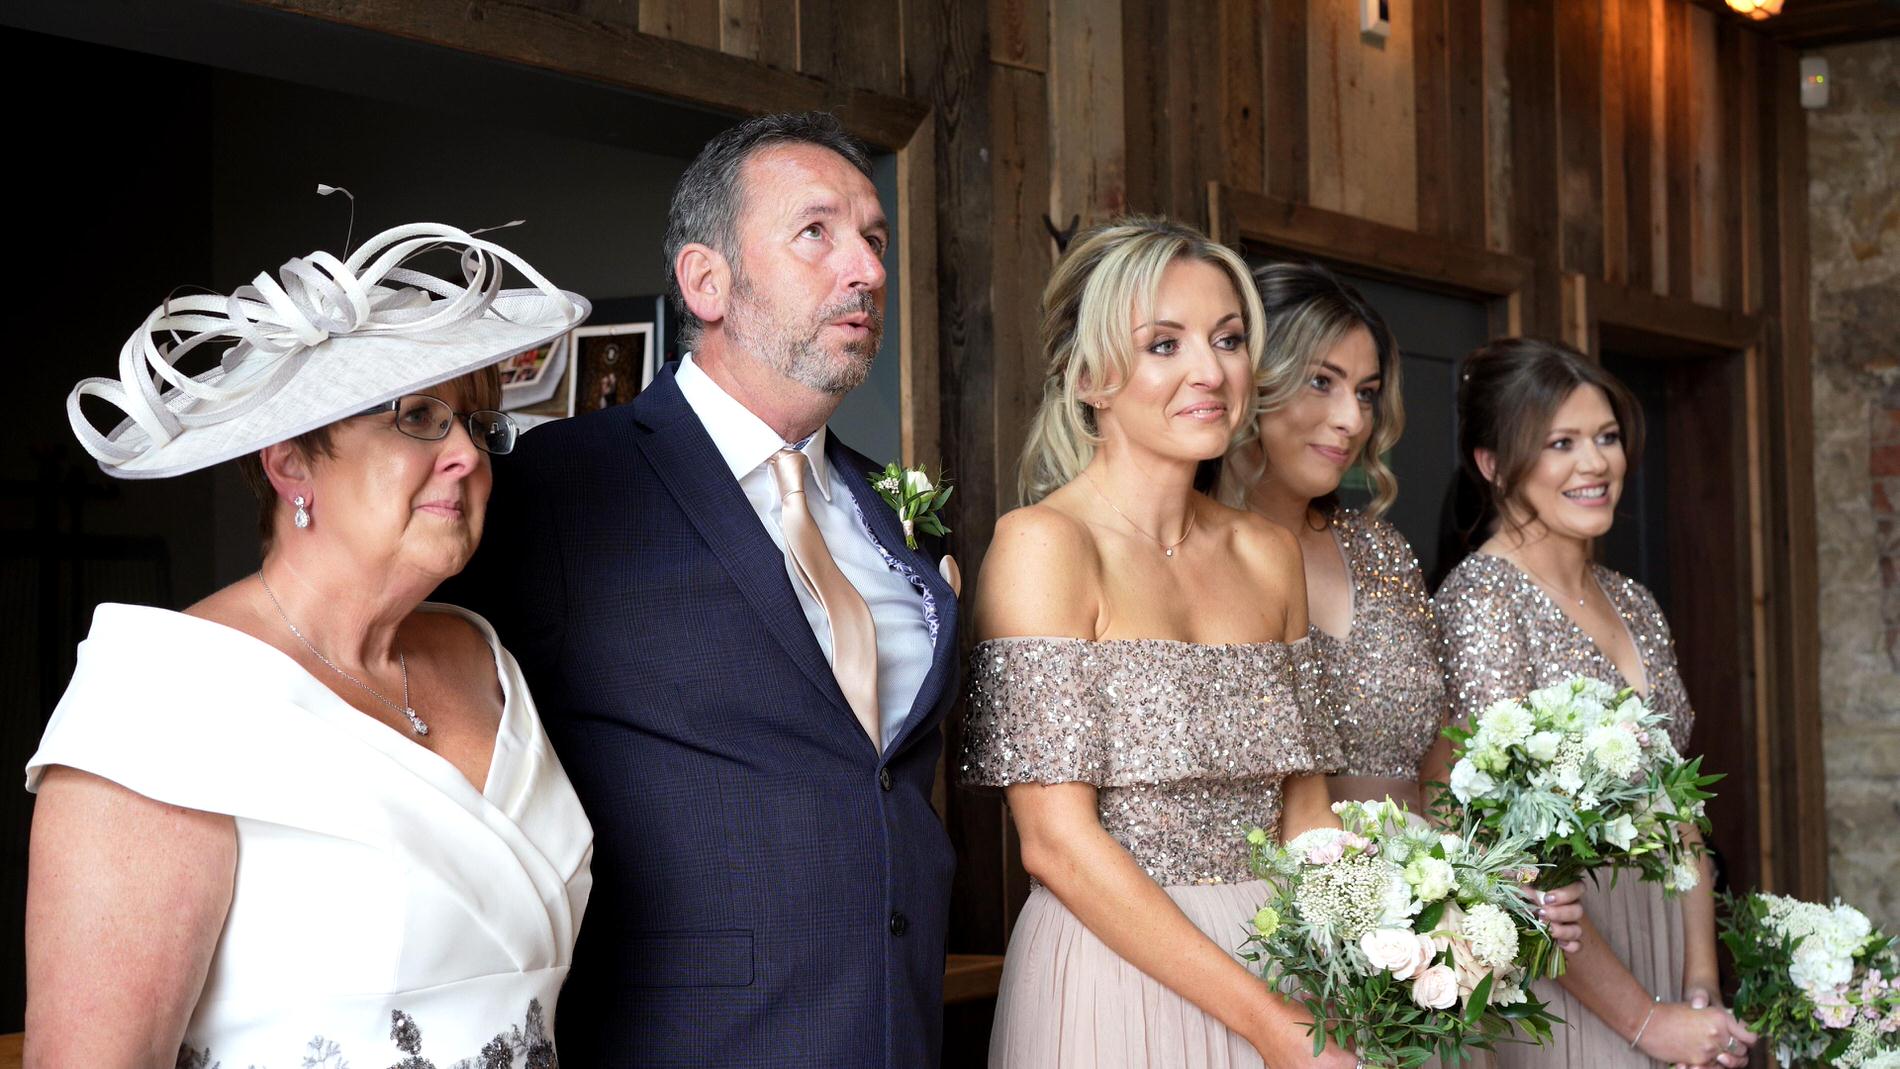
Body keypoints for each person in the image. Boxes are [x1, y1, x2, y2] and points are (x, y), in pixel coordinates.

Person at [448, 112, 961, 1066]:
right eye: (819, 233)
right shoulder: (565, 489)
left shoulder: (888, 518)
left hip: (898, 1032)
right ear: (706, 280)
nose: (869, 269)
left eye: (875, 239)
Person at [26, 221, 595, 1066]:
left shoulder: (483, 661)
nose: (467, 457)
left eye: (477, 425)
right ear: (291, 462)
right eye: (420, 419)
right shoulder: (160, 703)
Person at [959, 218, 1355, 1068]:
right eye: (1164, 344)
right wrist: (1264, 1020)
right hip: (1116, 968)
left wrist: (1375, 964)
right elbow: (1056, 842)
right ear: (1089, 375)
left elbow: (1306, 811)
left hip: (1285, 966)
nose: (1209, 371)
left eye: (1229, 339)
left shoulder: (1268, 552)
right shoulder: (1044, 545)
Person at [1218, 263, 1584, 957]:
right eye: (1321, 381)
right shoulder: (1200, 556)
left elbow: (1441, 752)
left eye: (1366, 391)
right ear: (1251, 377)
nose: (1352, 419)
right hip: (1275, 923)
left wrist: (1483, 883)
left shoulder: (1380, 549)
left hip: (1424, 927)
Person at [1429, 338, 1758, 1069]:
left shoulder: (1635, 601)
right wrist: (1645, 1022)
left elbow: (1683, 810)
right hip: (1567, 960)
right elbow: (1506, 852)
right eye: (1562, 443)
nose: (1596, 463)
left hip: (1667, 935)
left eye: (1606, 438)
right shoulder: (1481, 603)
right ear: (1492, 464)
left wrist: (1700, 984)